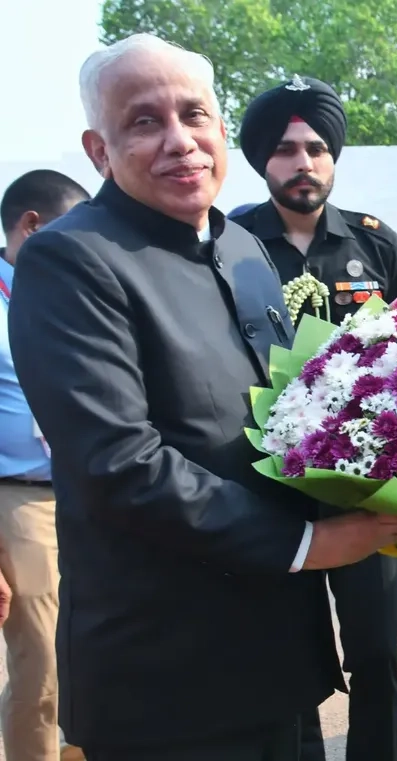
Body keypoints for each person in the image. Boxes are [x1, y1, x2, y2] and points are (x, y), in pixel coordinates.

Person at [5, 33, 397, 761]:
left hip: (282, 653)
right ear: (97, 148)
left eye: (195, 114)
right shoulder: (72, 260)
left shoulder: (243, 249)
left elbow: (290, 422)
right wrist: (312, 540)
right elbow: (119, 461)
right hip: (168, 676)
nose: (181, 141)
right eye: (145, 121)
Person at [231, 74, 397, 761]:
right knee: (289, 653)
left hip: (369, 485)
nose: (302, 161)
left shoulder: (375, 244)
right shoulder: (229, 242)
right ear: (261, 160)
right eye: (284, 149)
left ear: (333, 157)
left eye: (315, 147)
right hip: (271, 488)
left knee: (376, 650)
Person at [1, 169, 90, 761]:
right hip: (20, 497)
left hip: (89, 489)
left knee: (98, 652)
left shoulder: (70, 295)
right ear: (31, 226)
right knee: (44, 661)